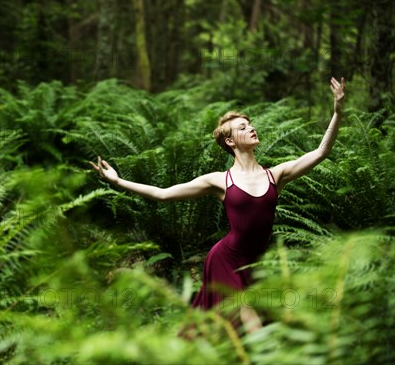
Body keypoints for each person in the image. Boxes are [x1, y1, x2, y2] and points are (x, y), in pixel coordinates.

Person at [90, 77, 346, 334]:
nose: (251, 129)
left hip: (256, 262)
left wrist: (337, 111)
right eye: (243, 128)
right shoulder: (220, 181)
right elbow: (163, 194)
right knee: (253, 326)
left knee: (243, 327)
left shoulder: (275, 175)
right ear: (231, 142)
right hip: (226, 259)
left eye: (251, 125)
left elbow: (320, 152)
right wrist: (118, 181)